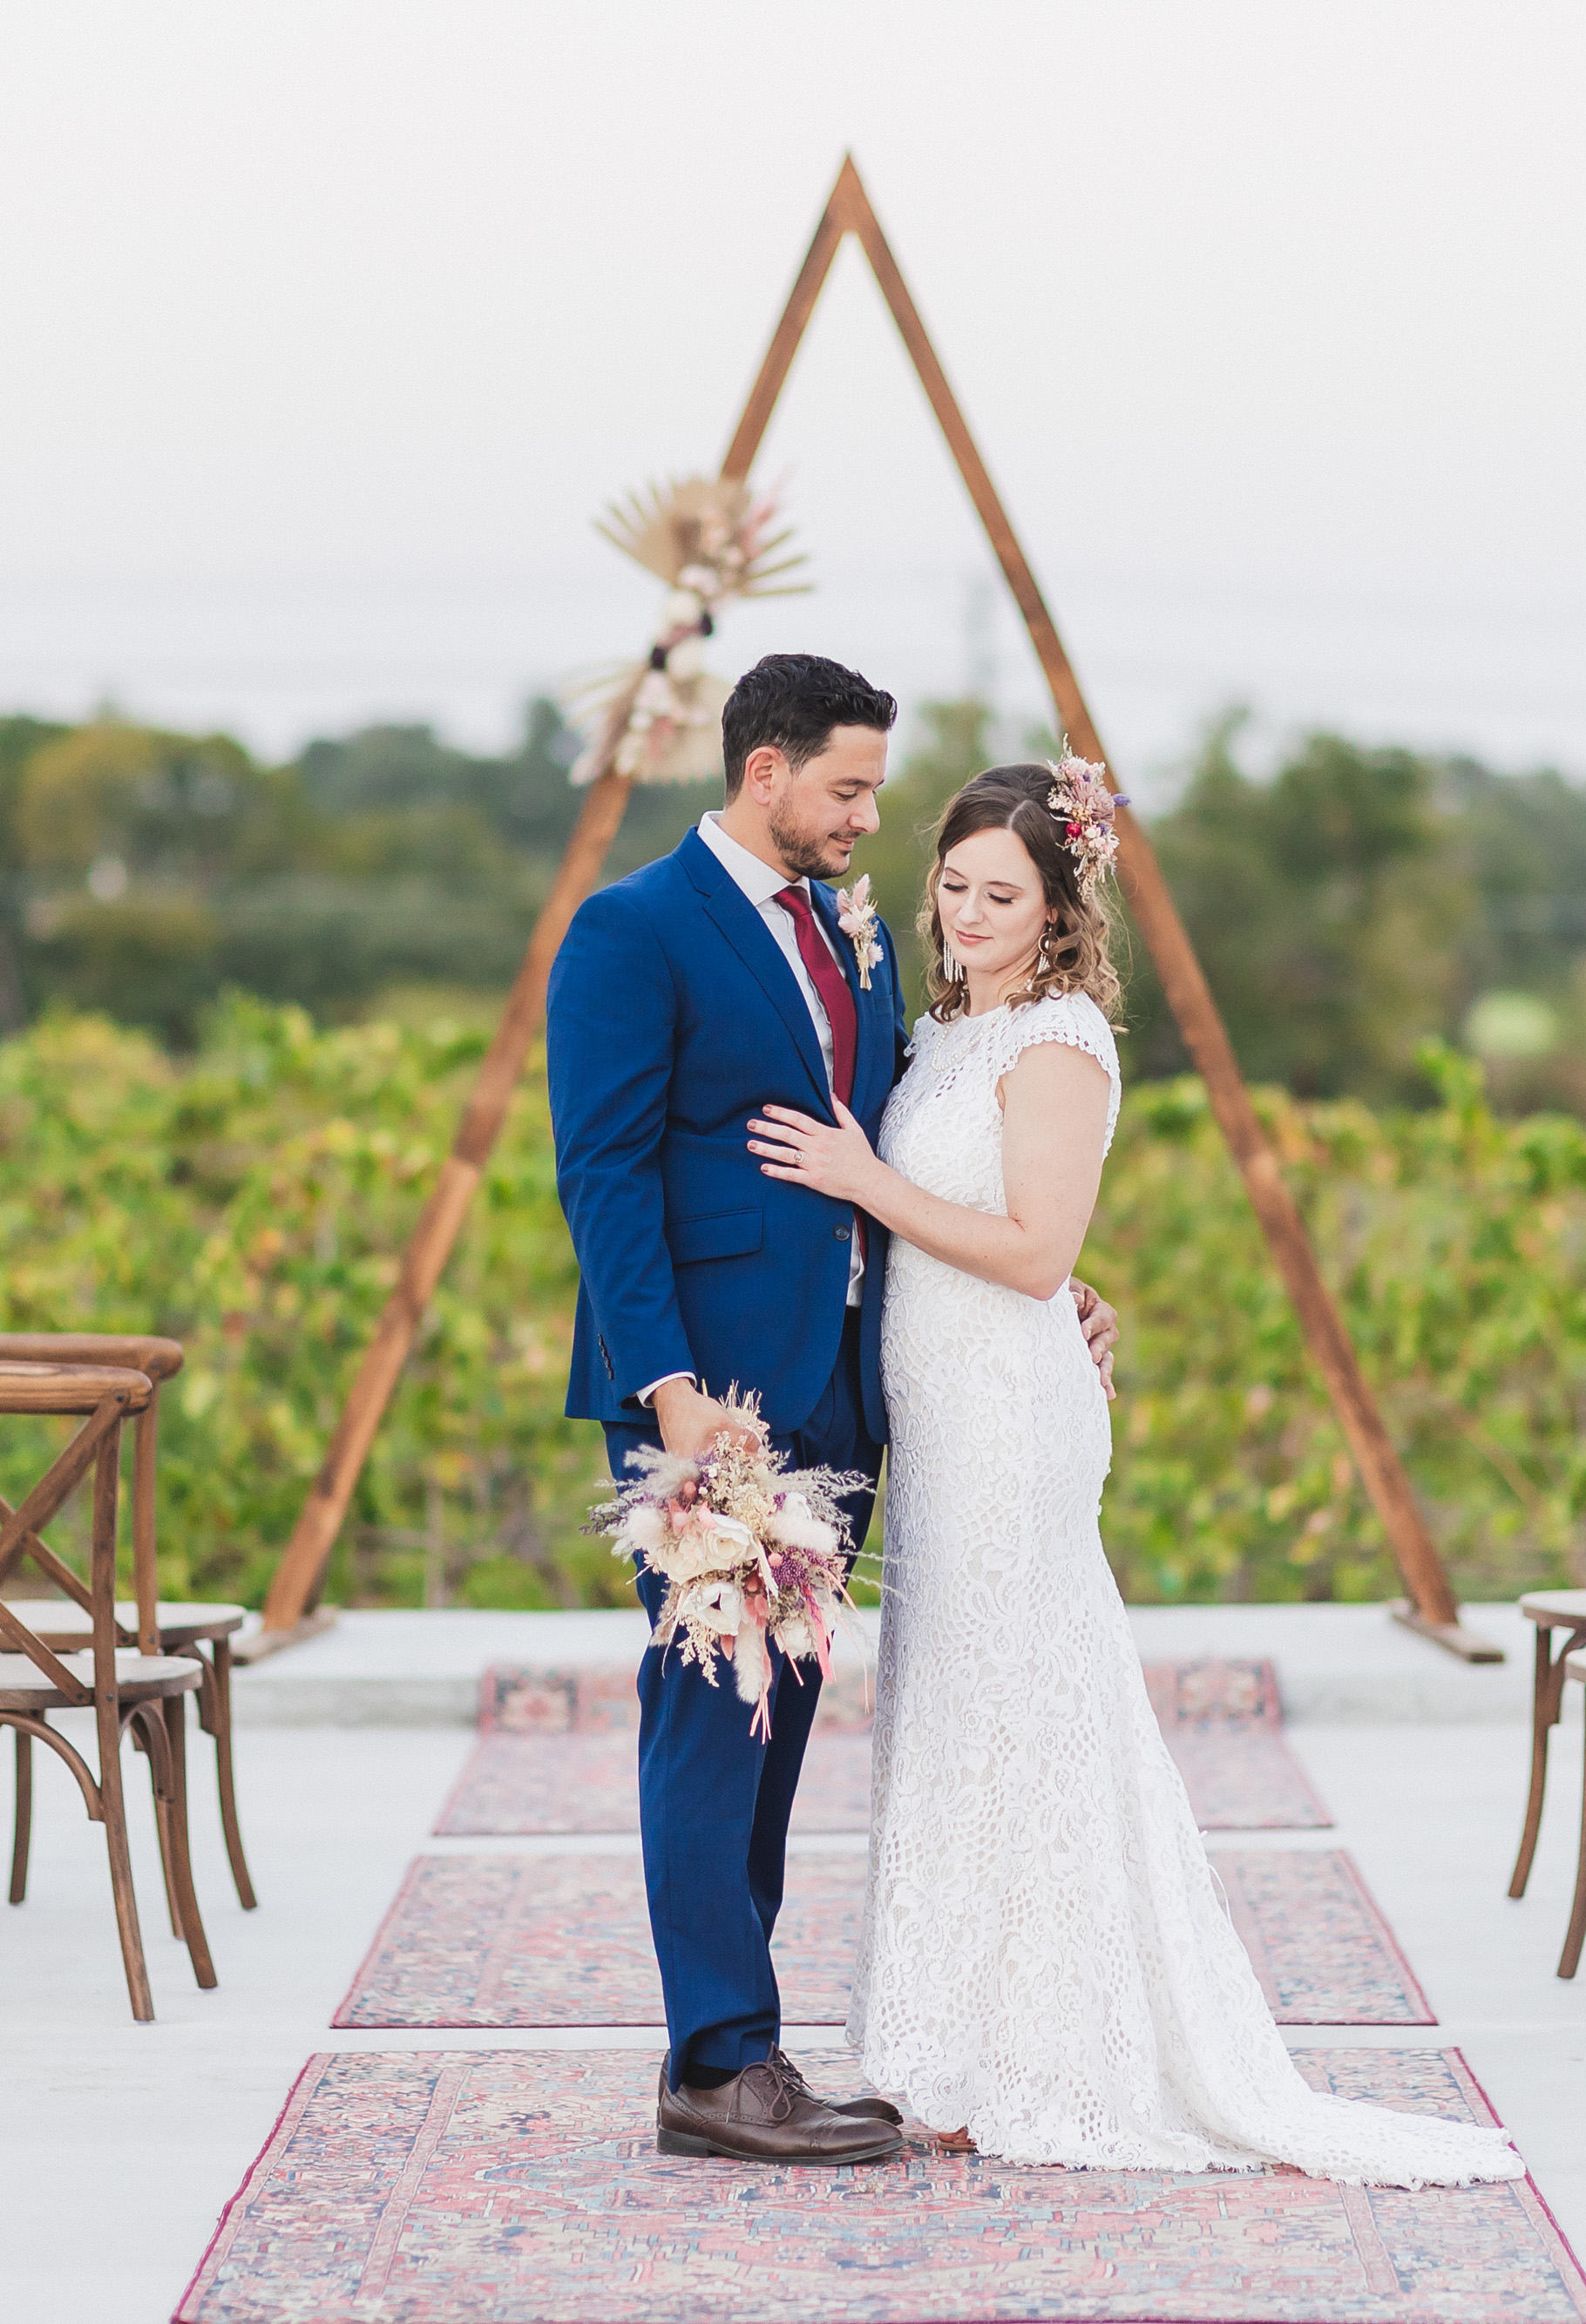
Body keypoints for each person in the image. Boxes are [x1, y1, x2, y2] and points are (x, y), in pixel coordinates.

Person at [746, 760, 1525, 2185]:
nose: (969, 914)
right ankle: (954, 2048)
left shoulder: (1058, 1043)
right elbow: (1016, 1233)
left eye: (1004, 895)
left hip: (1011, 1427)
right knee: (958, 1711)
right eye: (957, 886)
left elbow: (1032, 1251)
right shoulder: (941, 1035)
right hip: (940, 1409)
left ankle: (1054, 2050)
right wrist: (1006, 1249)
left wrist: (869, 1183)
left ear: (1059, 911)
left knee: (1027, 1705)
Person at [547, 654, 1120, 2166]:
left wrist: (1058, 1289)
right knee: (710, 1717)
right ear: (765, 775)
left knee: (780, 1726)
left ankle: (750, 2044)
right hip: (710, 1405)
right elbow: (602, 1180)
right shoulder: (632, 933)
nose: (871, 818)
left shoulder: (851, 937)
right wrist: (668, 1394)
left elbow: (938, 1146)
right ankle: (717, 2063)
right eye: (850, 788)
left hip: (846, 1394)